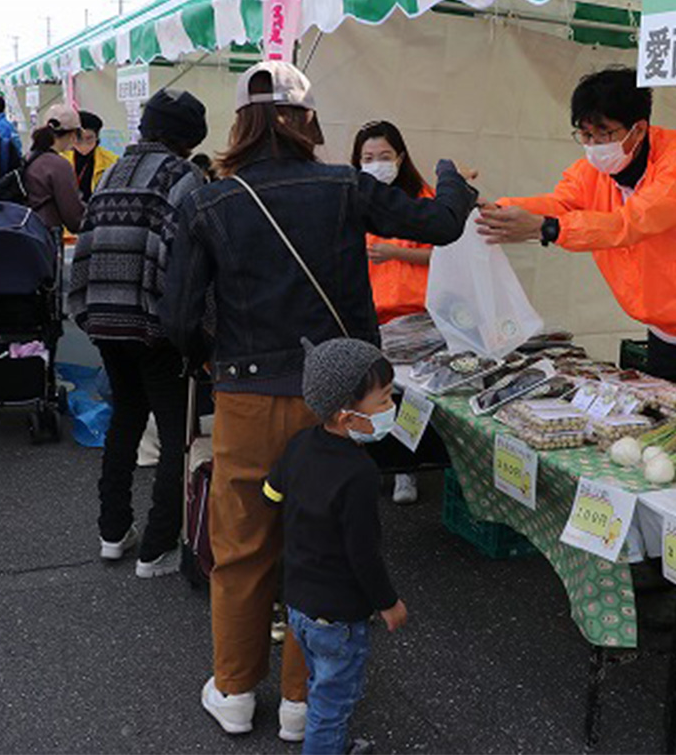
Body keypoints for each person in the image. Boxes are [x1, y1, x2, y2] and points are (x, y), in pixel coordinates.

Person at [162, 62, 475, 743]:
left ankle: (237, 690)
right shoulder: (343, 185)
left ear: (241, 122)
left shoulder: (208, 200)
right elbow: (442, 224)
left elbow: (180, 318)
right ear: (305, 121)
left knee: (242, 548)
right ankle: (303, 703)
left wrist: (212, 358)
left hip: (245, 393)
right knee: (321, 548)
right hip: (333, 400)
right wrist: (452, 175)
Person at [476, 66, 676, 393]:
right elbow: (561, 203)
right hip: (661, 332)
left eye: (603, 133)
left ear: (638, 130)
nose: (593, 145)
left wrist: (549, 229)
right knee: (662, 434)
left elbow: (631, 223)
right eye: (585, 134)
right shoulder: (591, 171)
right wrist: (497, 210)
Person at [69, 89, 209, 578]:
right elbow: (190, 258)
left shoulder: (112, 172)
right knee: (176, 434)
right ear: (190, 138)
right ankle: (156, 548)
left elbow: (85, 244)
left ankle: (113, 532)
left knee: (125, 418)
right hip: (152, 324)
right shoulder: (184, 176)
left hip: (104, 318)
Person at [264, 338, 407, 755]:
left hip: (299, 601)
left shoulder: (300, 444)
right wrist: (389, 603)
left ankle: (330, 744)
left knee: (320, 682)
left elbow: (270, 494)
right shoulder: (359, 474)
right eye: (383, 401)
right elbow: (363, 553)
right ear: (348, 416)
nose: (390, 407)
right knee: (334, 700)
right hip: (340, 613)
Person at [351, 120, 434, 505]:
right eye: (368, 158)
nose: (376, 163)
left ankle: (406, 469)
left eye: (384, 156)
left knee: (410, 399)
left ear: (400, 157)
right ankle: (370, 466)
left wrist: (396, 252)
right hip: (369, 318)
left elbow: (447, 255)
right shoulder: (351, 200)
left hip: (417, 319)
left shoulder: (422, 199)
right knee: (370, 396)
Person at [23, 104, 85, 233]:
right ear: (73, 134)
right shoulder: (59, 165)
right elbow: (73, 216)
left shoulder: (28, 157)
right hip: (45, 235)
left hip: (23, 231)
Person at [62, 110, 119, 203]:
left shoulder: (111, 161)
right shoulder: (61, 159)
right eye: (78, 139)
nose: (84, 144)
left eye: (89, 138)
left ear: (97, 137)